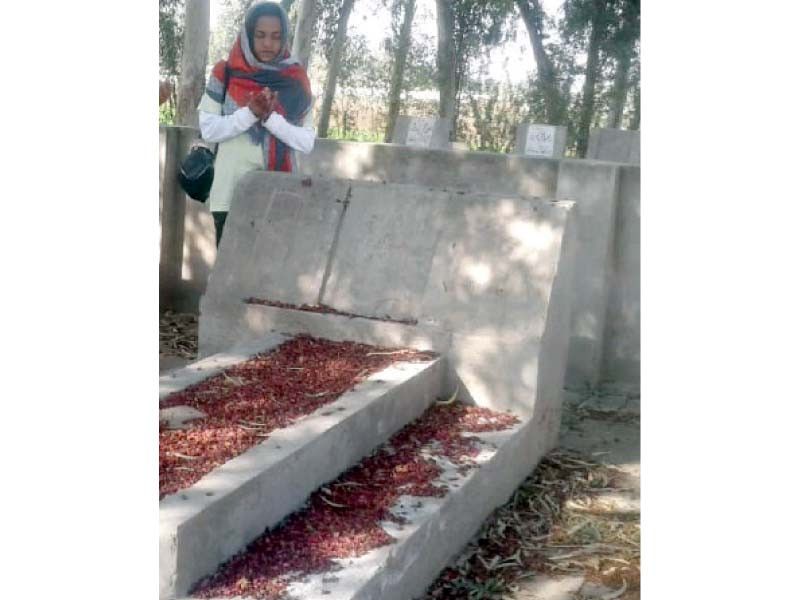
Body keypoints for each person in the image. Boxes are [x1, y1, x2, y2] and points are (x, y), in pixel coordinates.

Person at [197, 2, 315, 247]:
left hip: (279, 194)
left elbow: (306, 142)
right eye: (260, 35)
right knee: (229, 275)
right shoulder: (224, 73)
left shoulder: (294, 80)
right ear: (248, 34)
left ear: (284, 38)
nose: (268, 44)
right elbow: (209, 129)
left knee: (271, 277)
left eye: (276, 36)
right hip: (230, 194)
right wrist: (249, 113)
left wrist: (270, 119)